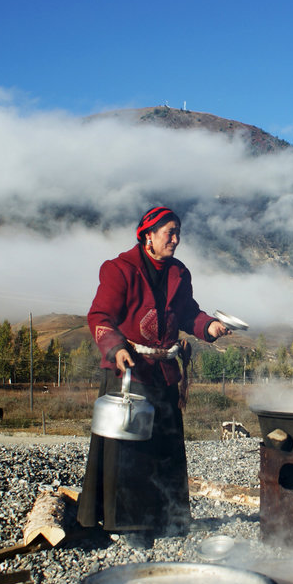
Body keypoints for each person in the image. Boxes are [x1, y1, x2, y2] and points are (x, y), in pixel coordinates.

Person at [76, 206, 231, 546]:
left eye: (178, 233)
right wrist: (116, 347)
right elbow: (100, 316)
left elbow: (188, 313)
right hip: (130, 370)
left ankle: (169, 519)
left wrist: (209, 326)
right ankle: (131, 526)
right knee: (131, 452)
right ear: (147, 235)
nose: (175, 239)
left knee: (166, 446)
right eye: (169, 233)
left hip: (164, 374)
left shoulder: (179, 272)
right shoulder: (119, 270)